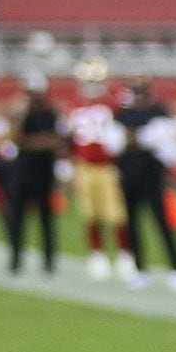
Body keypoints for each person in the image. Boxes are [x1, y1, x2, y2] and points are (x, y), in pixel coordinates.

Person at [114, 81, 176, 291]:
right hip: (129, 177)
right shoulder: (121, 115)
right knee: (132, 226)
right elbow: (113, 143)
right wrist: (136, 140)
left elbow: (158, 141)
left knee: (163, 224)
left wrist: (134, 139)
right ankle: (140, 270)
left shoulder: (158, 114)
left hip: (152, 177)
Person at [66, 78, 128, 280]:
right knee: (90, 213)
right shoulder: (75, 106)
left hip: (108, 166)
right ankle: (97, 255)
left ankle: (124, 255)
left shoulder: (113, 104)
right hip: (84, 167)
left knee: (116, 214)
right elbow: (69, 138)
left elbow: (121, 131)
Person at [6, 76, 63, 278]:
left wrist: (32, 143)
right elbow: (15, 138)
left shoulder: (52, 112)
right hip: (22, 171)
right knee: (17, 218)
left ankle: (48, 262)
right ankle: (15, 259)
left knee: (47, 218)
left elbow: (57, 141)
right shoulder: (20, 112)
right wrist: (39, 142)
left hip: (44, 171)